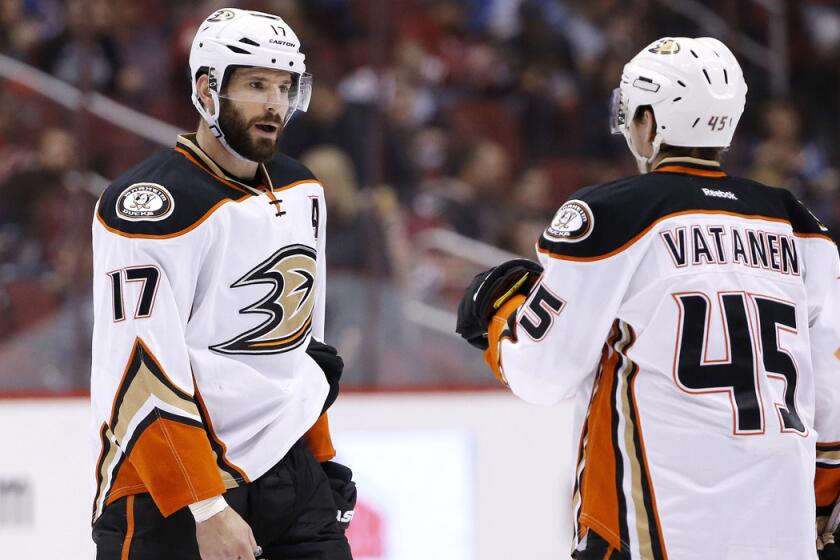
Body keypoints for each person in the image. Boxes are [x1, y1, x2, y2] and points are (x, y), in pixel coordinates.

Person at [456, 37, 840, 559]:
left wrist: (500, 314)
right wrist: (821, 503)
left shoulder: (614, 215)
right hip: (780, 530)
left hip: (655, 530)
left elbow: (542, 373)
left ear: (651, 124)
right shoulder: (801, 226)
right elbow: (831, 399)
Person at [89, 8, 354, 560]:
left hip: (289, 474)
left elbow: (301, 351)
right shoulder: (149, 207)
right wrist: (205, 506)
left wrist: (322, 458)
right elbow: (139, 373)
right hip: (171, 491)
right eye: (257, 84)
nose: (275, 104)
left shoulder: (303, 189)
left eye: (285, 87)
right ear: (208, 89)